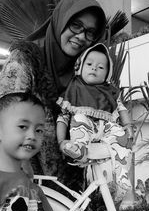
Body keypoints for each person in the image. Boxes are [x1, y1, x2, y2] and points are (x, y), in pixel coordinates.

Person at [0, 0, 107, 190]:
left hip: (68, 192)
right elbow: (8, 119)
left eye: (90, 32)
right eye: (76, 25)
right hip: (26, 185)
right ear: (61, 20)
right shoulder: (25, 60)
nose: (81, 36)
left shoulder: (83, 74)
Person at [56, 43, 133, 200]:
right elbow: (63, 117)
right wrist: (61, 141)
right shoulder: (73, 88)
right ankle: (79, 150)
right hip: (86, 129)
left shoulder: (110, 91)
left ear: (107, 73)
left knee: (119, 134)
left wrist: (128, 127)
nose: (94, 69)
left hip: (106, 128)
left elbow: (121, 108)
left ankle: (122, 179)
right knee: (78, 118)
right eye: (89, 64)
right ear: (81, 67)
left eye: (100, 67)